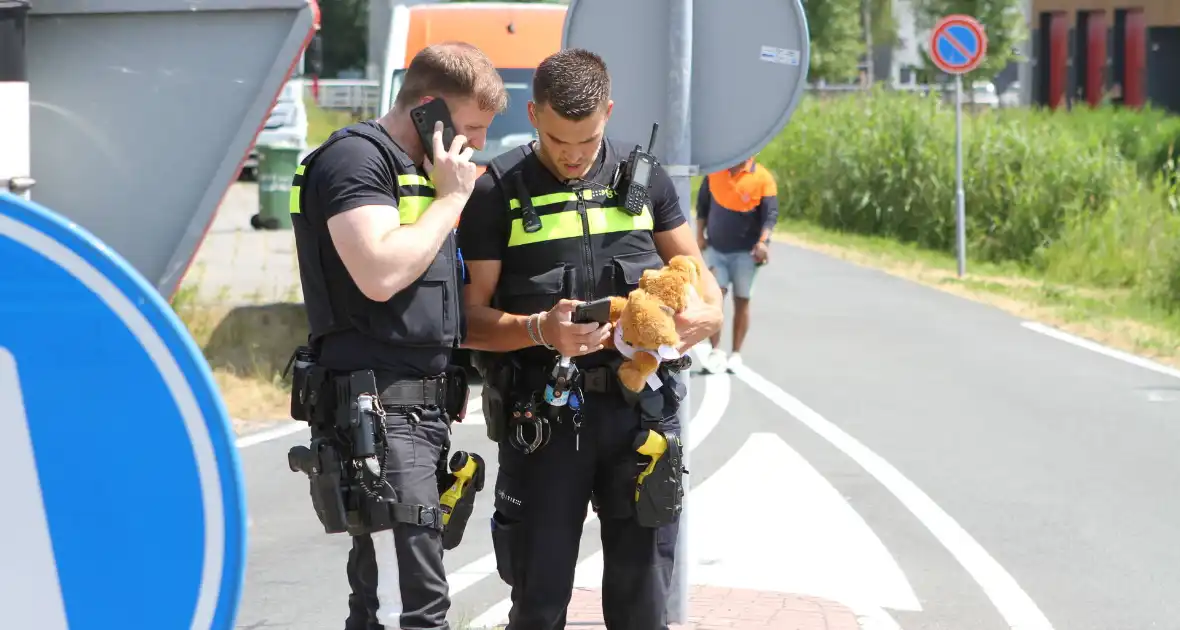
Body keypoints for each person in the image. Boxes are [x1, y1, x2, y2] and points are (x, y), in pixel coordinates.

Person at [457, 48, 724, 630]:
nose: (573, 156)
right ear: (533, 115)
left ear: (608, 111)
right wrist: (537, 329)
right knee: (539, 601)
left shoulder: (644, 179)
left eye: (586, 140)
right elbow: (467, 321)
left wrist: (709, 314)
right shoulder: (495, 191)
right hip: (545, 418)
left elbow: (697, 274)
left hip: (643, 414)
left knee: (642, 606)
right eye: (557, 141)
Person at [287, 42, 507, 630]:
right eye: (472, 127)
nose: (479, 144)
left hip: (420, 411)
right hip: (378, 409)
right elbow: (380, 273)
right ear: (430, 111)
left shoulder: (423, 173)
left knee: (400, 595)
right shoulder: (356, 161)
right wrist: (452, 200)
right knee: (408, 601)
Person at [695, 155, 779, 374]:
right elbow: (702, 207)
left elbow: (770, 216)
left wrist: (763, 243)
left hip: (746, 254)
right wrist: (699, 236)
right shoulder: (714, 171)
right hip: (716, 250)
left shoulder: (762, 178)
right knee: (715, 296)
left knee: (742, 300)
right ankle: (715, 351)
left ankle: (736, 354)